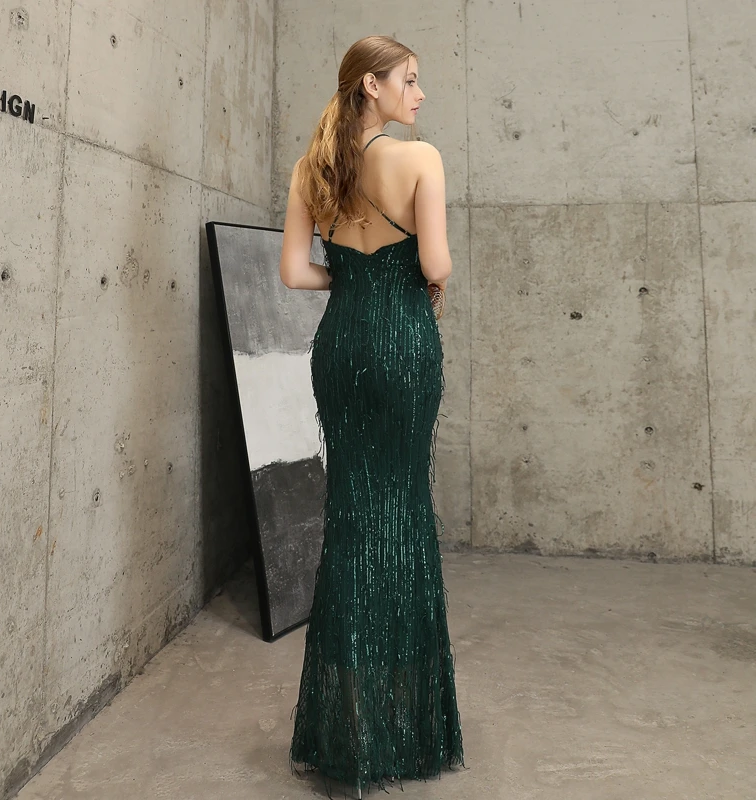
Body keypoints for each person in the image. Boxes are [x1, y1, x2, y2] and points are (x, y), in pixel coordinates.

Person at [279, 34, 466, 799]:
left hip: (342, 345)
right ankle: (405, 730)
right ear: (371, 87)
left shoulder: (312, 167)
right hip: (404, 347)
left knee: (352, 518)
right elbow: (436, 266)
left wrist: (350, 280)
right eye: (409, 81)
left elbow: (295, 272)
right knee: (404, 515)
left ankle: (344, 729)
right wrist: (406, 277)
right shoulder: (421, 160)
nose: (419, 95)